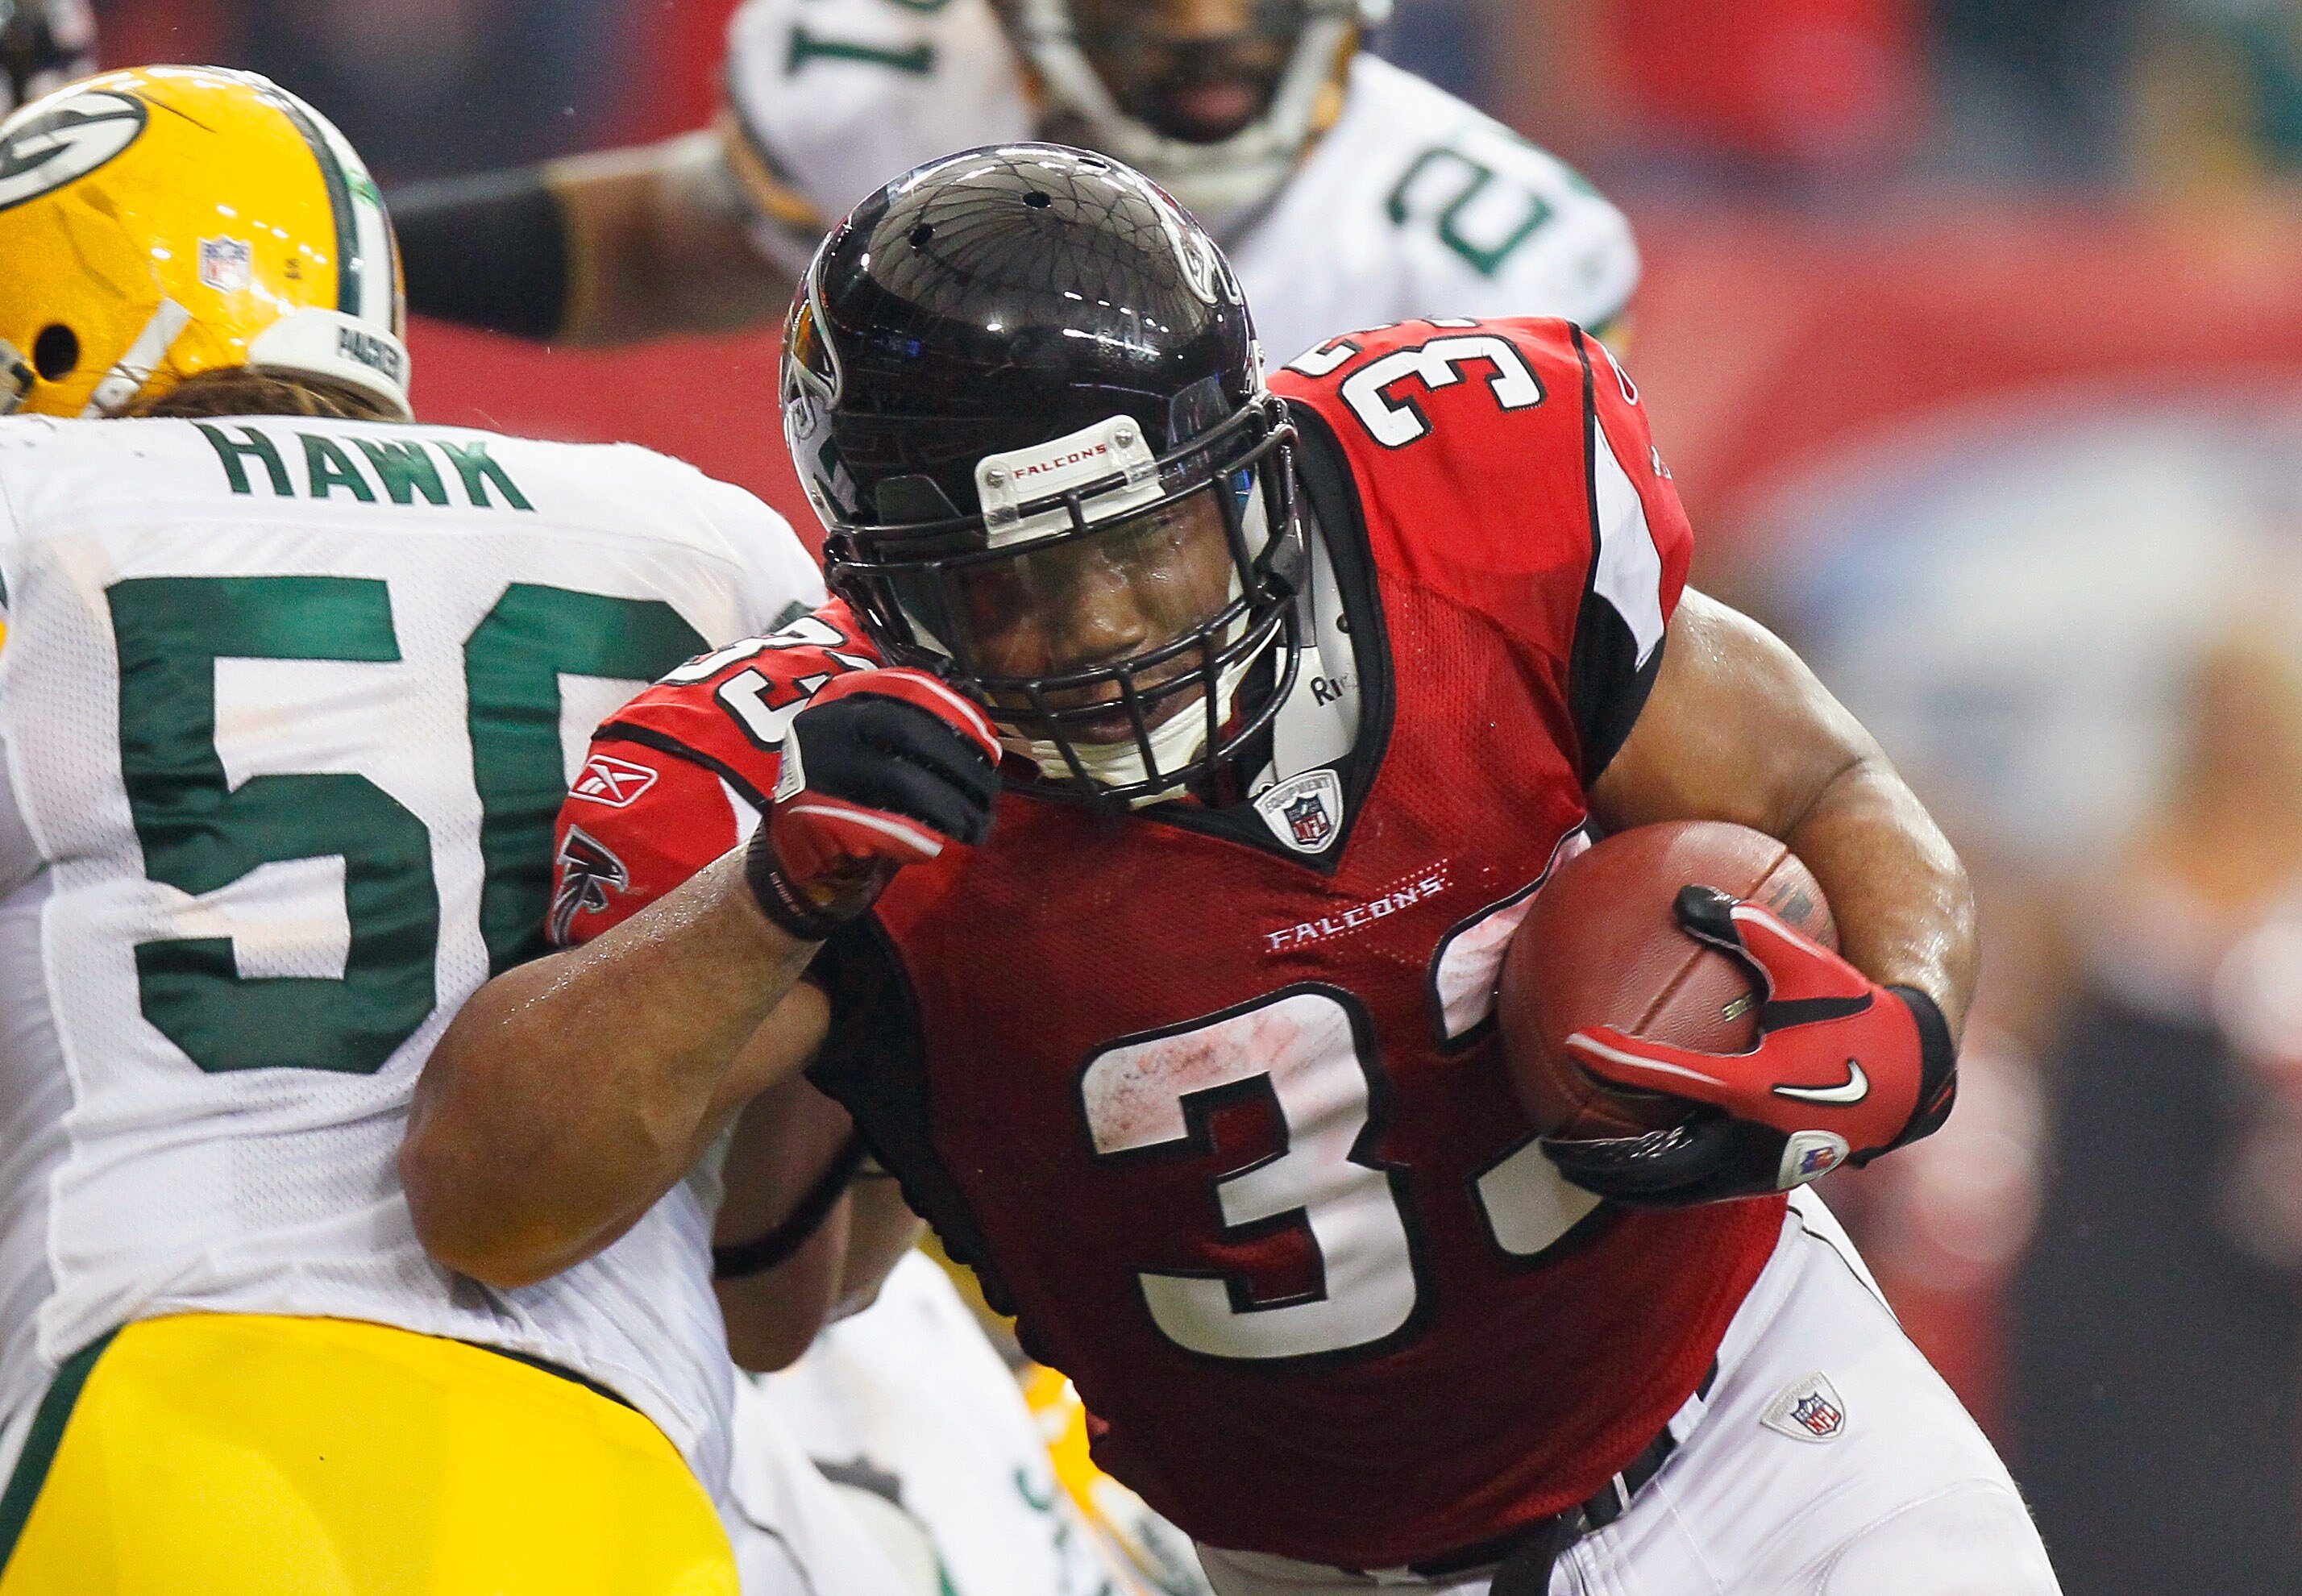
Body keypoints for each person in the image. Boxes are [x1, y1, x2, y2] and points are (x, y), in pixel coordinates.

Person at [405, 144, 2063, 1592]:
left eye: (1140, 539)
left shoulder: (1459, 508)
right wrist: (772, 902)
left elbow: (1825, 783)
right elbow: (504, 1210)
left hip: (1765, 1419)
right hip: (1316, 1575)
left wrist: (1909, 1022)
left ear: (1249, 470)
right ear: (888, 599)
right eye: (1009, 589)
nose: (1101, 627)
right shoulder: (825, 784)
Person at [0, 65, 839, 1593]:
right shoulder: (707, 542)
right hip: (614, 1476)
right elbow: (783, 1285)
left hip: (158, 1404)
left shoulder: (33, 507)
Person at [388, 0, 1638, 360]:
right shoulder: (885, 87)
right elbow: (656, 254)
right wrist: (339, 246)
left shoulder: (1489, 257)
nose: (1208, 27)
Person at [0, 0, 90, 116]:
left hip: (52, 66)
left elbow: (76, 37)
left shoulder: (60, 4)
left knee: (45, 86)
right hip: (10, 73)